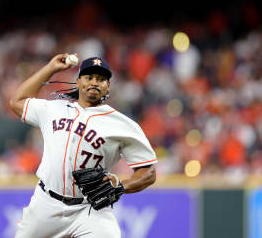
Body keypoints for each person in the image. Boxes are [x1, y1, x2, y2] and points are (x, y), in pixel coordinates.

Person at [10, 53, 157, 238]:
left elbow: (149, 172)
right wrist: (50, 68)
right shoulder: (54, 109)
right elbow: (17, 101)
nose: (95, 82)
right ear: (78, 82)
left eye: (101, 79)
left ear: (108, 86)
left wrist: (121, 185)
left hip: (90, 208)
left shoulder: (123, 124)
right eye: (89, 77)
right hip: (46, 204)